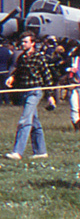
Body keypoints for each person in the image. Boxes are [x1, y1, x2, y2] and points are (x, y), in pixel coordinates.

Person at [6, 32, 58, 161]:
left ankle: (17, 152)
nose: (23, 44)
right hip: (25, 92)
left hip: (35, 92)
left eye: (25, 42)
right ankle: (41, 151)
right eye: (22, 42)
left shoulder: (39, 57)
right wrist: (12, 77)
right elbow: (18, 71)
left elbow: (47, 77)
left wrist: (50, 96)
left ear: (32, 43)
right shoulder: (22, 57)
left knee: (25, 120)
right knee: (34, 122)